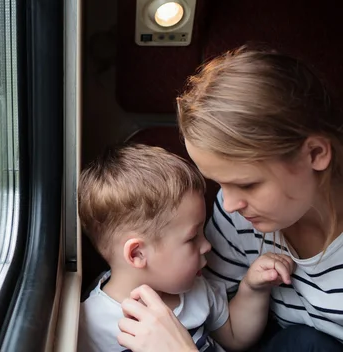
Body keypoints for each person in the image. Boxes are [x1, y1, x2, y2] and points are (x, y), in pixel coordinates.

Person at [116, 45, 343, 352]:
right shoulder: (236, 215)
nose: (229, 203)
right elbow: (218, 314)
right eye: (220, 183)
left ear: (315, 154)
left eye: (247, 184)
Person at [77, 143, 295, 352]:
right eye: (192, 238)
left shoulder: (194, 289)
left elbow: (235, 338)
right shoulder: (93, 324)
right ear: (137, 254)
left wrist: (253, 289)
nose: (207, 245)